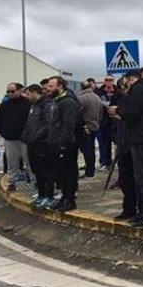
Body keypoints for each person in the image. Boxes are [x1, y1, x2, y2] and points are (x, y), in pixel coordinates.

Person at [110, 69, 143, 228]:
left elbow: (132, 111)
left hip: (141, 139)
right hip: (142, 138)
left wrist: (117, 110)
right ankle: (142, 211)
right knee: (140, 177)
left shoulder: (139, 90)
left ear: (130, 79)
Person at [45, 77, 80, 213]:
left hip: (66, 144)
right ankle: (64, 197)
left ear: (60, 87)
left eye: (51, 86)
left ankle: (69, 199)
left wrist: (63, 143)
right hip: (55, 143)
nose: (48, 88)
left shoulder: (68, 102)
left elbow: (69, 124)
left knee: (68, 173)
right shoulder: (56, 101)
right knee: (61, 173)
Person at [22, 84, 57, 209]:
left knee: (46, 171)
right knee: (37, 170)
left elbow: (49, 124)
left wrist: (36, 136)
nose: (26, 96)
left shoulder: (46, 105)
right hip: (32, 144)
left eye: (28, 94)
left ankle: (49, 196)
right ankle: (41, 195)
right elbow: (30, 123)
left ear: (35, 92)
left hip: (43, 144)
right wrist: (25, 136)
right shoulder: (34, 106)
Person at [0, 82, 32, 190]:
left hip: (24, 139)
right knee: (12, 163)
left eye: (12, 91)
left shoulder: (27, 104)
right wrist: (3, 132)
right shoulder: (5, 105)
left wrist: (27, 134)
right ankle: (12, 182)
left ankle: (35, 182)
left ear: (20, 91)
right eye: (8, 91)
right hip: (10, 139)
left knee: (29, 162)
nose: (10, 93)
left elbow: (32, 120)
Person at [77, 81, 103, 179]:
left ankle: (89, 172)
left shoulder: (81, 98)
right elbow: (101, 113)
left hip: (85, 127)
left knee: (87, 150)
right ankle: (91, 171)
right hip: (95, 126)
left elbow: (78, 113)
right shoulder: (97, 97)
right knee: (91, 150)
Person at [95, 75, 118, 170]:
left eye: (110, 80)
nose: (108, 81)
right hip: (104, 121)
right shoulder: (99, 92)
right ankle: (105, 162)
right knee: (105, 143)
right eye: (106, 80)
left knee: (117, 142)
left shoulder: (117, 91)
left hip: (116, 120)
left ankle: (118, 162)